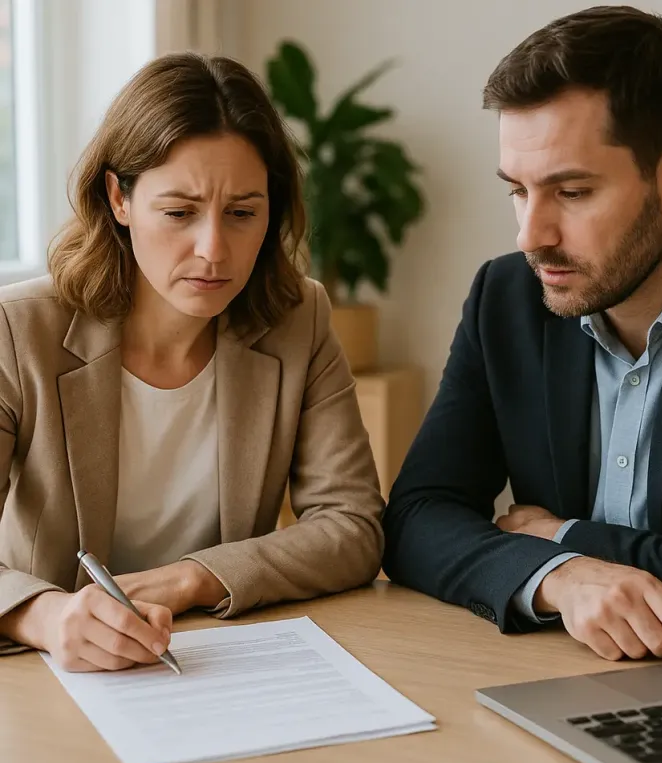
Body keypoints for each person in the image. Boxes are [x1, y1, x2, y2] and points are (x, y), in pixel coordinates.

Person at [382, 5, 662, 674]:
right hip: (548, 677)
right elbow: (416, 521)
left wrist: (556, 535)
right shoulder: (503, 300)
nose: (530, 236)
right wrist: (562, 577)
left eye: (573, 191)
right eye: (518, 190)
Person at [0, 53, 384, 671]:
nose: (213, 250)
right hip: (52, 672)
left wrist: (193, 579)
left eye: (243, 214)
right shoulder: (17, 330)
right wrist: (44, 616)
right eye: (179, 213)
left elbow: (354, 525)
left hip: (221, 662)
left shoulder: (297, 319)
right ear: (119, 198)